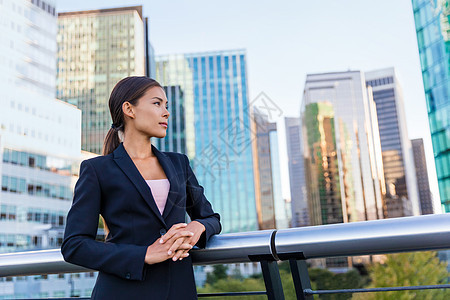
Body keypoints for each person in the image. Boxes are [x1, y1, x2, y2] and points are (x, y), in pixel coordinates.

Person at [61, 76, 221, 299]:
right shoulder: (97, 169)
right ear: (129, 109)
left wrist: (197, 227)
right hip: (123, 290)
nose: (166, 112)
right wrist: (144, 254)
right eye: (157, 104)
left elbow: (211, 218)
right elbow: (74, 245)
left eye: (166, 106)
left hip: (178, 289)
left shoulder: (179, 163)